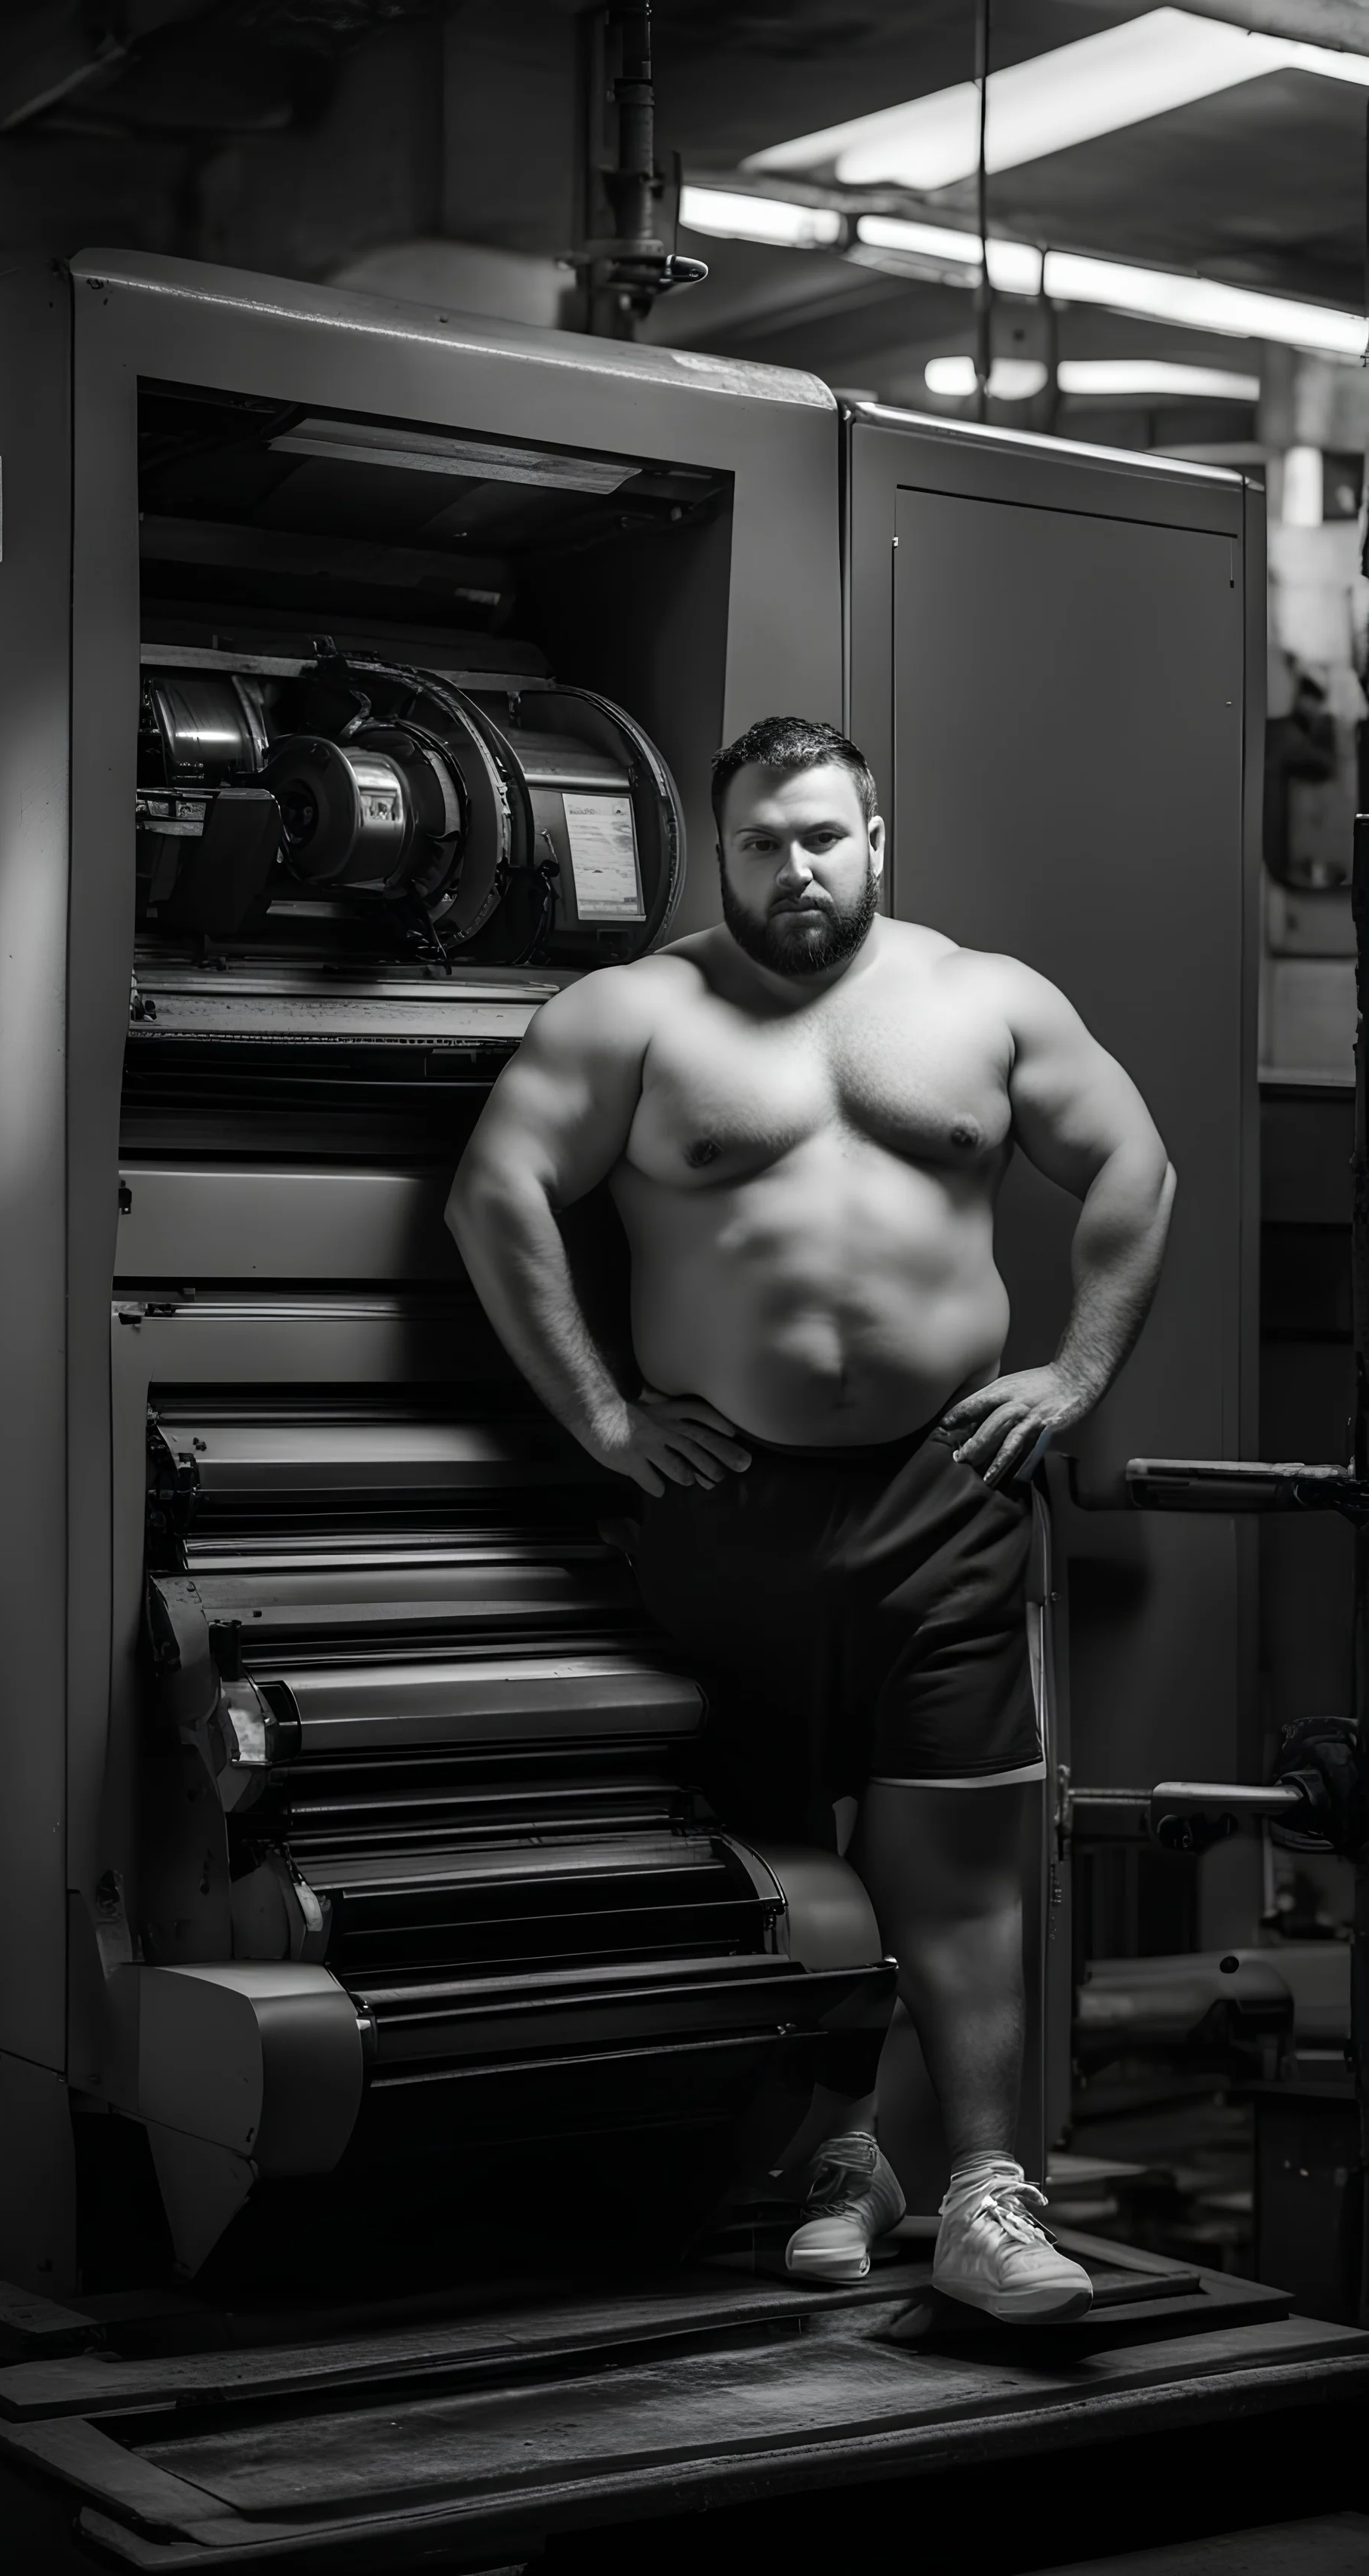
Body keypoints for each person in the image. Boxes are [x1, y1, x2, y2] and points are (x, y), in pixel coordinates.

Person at [445, 716, 1174, 2324]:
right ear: (724, 848)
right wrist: (603, 1415)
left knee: (962, 1858)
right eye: (765, 842)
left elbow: (1133, 1161)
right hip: (731, 1503)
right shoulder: (636, 1013)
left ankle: (989, 2193)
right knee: (777, 1861)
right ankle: (844, 2157)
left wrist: (1073, 1374)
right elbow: (496, 1190)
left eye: (825, 837)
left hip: (946, 1492)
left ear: (877, 836)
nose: (797, 869)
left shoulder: (984, 998)